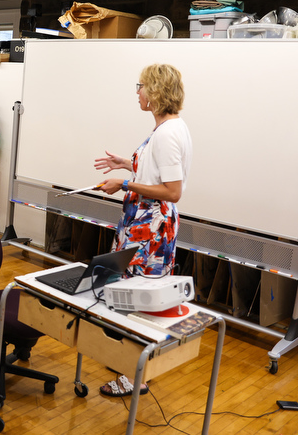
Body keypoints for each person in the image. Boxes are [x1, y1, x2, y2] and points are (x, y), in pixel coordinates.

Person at [93, 63, 192, 397]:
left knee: (135, 296)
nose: (138, 92)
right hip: (145, 221)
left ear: (156, 91)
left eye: (141, 86)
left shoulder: (166, 134)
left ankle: (134, 376)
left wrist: (124, 182)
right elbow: (155, 173)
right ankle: (131, 360)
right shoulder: (168, 128)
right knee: (130, 291)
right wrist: (127, 164)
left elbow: (172, 191)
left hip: (150, 225)